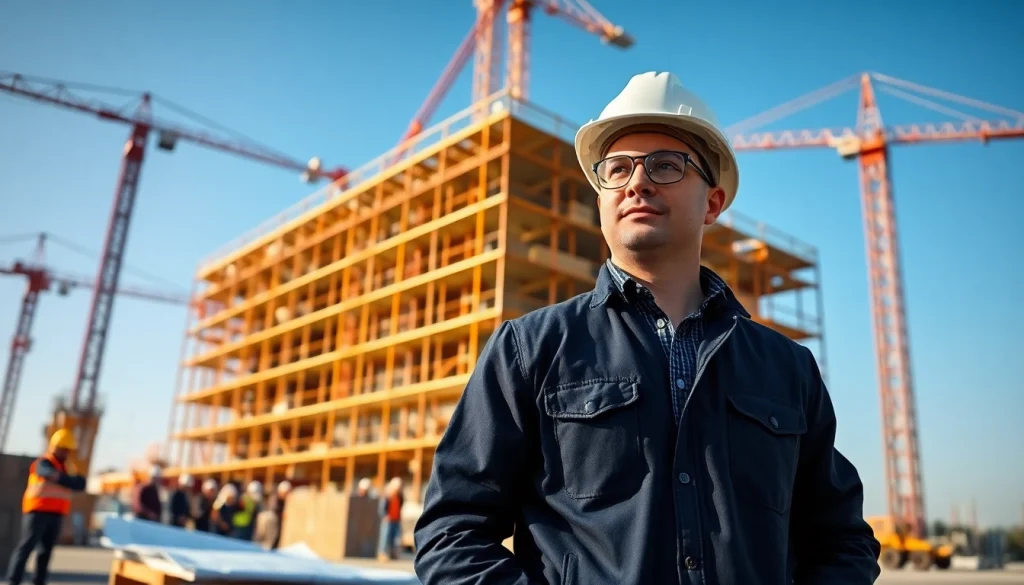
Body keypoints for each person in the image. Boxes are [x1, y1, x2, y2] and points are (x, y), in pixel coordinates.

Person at [413, 71, 881, 585]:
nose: (637, 182)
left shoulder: (788, 368)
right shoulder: (529, 350)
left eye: (666, 165)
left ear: (712, 203)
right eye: (617, 169)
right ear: (601, 201)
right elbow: (452, 533)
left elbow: (843, 540)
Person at [6, 429, 87, 585]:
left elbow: (80, 483)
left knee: (46, 552)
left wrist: (61, 478)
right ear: (55, 447)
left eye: (68, 450)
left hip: (56, 514)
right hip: (37, 511)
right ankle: (13, 581)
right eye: (63, 449)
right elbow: (50, 475)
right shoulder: (43, 463)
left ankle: (39, 582)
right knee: (26, 547)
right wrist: (66, 480)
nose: (66, 453)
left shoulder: (67, 467)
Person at [377, 477, 404, 561]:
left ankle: (393, 554)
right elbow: (382, 508)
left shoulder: (400, 496)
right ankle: (382, 554)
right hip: (388, 520)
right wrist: (385, 516)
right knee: (385, 538)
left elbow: (400, 506)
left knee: (396, 538)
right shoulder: (387, 496)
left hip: (396, 520)